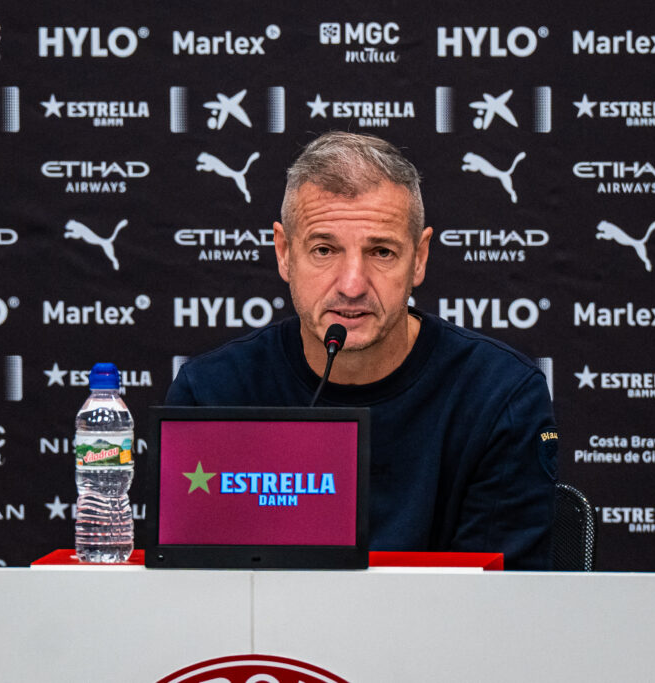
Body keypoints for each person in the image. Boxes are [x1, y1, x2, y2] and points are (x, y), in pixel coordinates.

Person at [166, 131, 558, 569]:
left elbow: (496, 609)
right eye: (324, 250)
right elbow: (195, 599)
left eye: (382, 252)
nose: (352, 284)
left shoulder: (499, 396)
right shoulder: (212, 394)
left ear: (420, 258)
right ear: (283, 253)